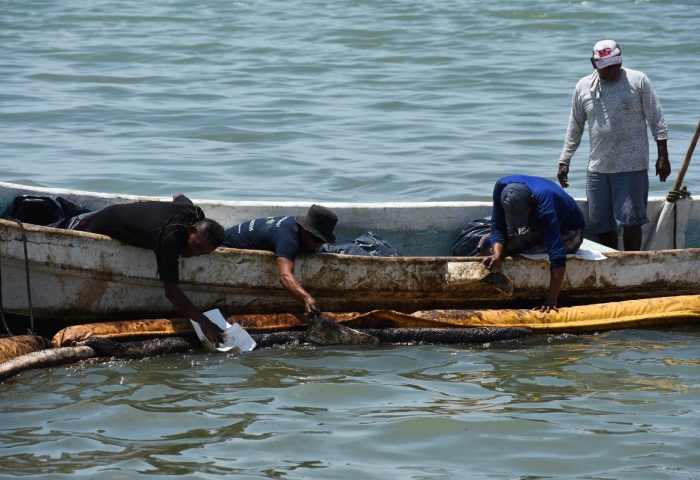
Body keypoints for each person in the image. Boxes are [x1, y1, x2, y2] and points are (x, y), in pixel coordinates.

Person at [557, 39, 671, 251]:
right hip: (598, 168)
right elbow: (575, 126)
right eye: (605, 66)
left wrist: (662, 155)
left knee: (631, 221)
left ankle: (631, 263)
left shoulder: (638, 80)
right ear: (594, 64)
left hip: (632, 165)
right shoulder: (583, 87)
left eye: (615, 64)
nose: (611, 70)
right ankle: (613, 262)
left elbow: (657, 119)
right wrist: (565, 160)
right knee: (600, 222)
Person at [70, 194, 226, 345]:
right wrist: (205, 323)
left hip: (115, 210)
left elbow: (178, 196)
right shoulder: (169, 238)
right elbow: (171, 291)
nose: (197, 254)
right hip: (99, 224)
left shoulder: (195, 212)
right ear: (191, 230)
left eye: (203, 253)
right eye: (197, 246)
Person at [478, 175, 586, 313]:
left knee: (509, 246)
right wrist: (497, 254)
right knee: (486, 243)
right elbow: (498, 225)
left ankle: (510, 292)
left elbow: (557, 253)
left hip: (569, 233)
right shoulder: (501, 187)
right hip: (535, 225)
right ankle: (496, 283)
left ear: (532, 201)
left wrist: (552, 299)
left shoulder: (545, 206)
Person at [221, 205, 338, 317]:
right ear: (304, 229)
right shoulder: (288, 239)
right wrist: (307, 299)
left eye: (323, 240)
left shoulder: (293, 225)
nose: (318, 244)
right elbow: (285, 276)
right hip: (223, 248)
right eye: (316, 239)